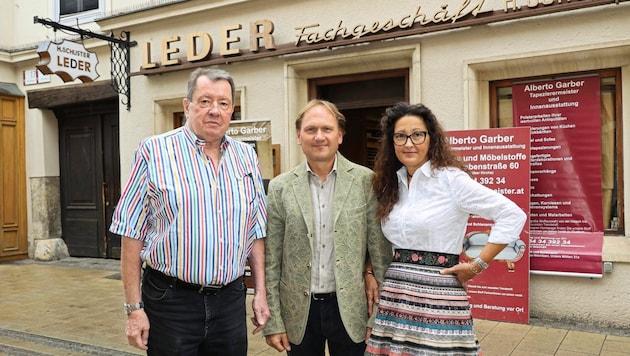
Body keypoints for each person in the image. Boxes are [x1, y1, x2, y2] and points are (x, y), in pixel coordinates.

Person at [109, 67, 270, 356]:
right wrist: (134, 310)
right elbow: (130, 233)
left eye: (223, 103)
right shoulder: (154, 151)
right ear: (187, 106)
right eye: (205, 101)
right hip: (171, 301)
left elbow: (255, 230)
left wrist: (260, 292)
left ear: (232, 110)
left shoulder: (247, 156)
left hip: (230, 302)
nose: (214, 111)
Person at [365, 102, 527, 355]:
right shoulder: (390, 185)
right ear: (391, 141)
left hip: (439, 297)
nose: (409, 143)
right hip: (397, 293)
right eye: (400, 136)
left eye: (417, 134)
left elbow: (512, 214)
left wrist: (477, 265)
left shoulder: (451, 180)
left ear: (431, 138)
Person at [263, 99, 392, 356]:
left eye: (327, 129)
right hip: (299, 311)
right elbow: (271, 260)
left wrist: (379, 318)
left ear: (340, 135)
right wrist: (273, 321)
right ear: (299, 136)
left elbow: (381, 256)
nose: (319, 136)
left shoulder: (365, 182)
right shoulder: (280, 188)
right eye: (310, 130)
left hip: (351, 310)